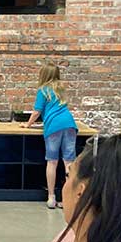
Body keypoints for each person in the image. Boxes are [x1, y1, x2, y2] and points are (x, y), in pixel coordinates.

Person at [21, 63, 78, 209]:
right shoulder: (61, 89)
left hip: (53, 127)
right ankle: (68, 199)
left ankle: (51, 197)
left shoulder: (43, 90)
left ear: (43, 75)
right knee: (69, 162)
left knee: (52, 162)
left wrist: (27, 125)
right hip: (70, 124)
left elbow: (37, 111)